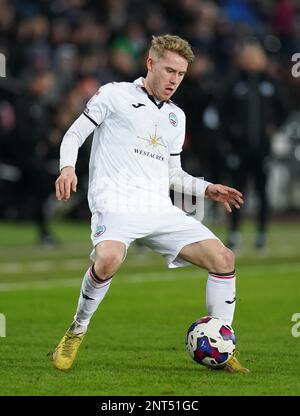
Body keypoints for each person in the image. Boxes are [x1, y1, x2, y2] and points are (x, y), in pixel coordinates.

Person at [52, 34, 248, 373]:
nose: (174, 80)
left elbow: (173, 173)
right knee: (109, 258)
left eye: (181, 74)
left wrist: (206, 189)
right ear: (150, 64)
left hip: (158, 209)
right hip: (115, 203)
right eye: (169, 70)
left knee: (223, 258)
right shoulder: (114, 94)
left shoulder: (176, 117)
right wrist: (67, 167)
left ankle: (222, 345)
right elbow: (74, 133)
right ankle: (76, 330)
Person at [220, 43, 288, 250]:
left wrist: (273, 126)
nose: (252, 60)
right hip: (238, 149)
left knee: (262, 191)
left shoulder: (270, 82)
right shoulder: (233, 82)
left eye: (255, 56)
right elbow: (222, 111)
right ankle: (234, 234)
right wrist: (232, 130)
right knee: (235, 192)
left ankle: (261, 235)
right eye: (247, 56)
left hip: (263, 148)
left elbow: (284, 108)